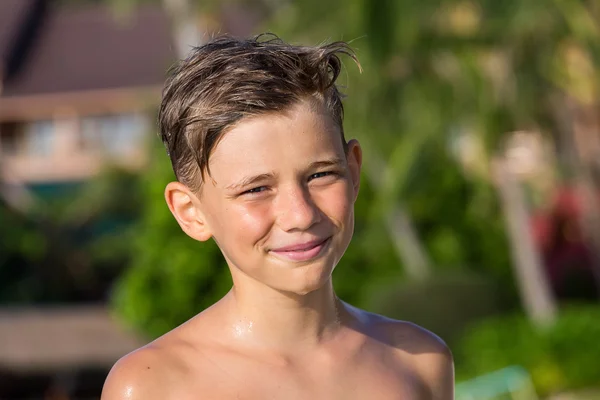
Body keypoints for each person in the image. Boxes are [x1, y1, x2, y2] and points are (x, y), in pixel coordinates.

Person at [101, 34, 454, 400]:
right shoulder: (153, 386)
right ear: (191, 212)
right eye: (256, 189)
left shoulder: (418, 363)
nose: (300, 215)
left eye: (320, 175)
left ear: (353, 172)